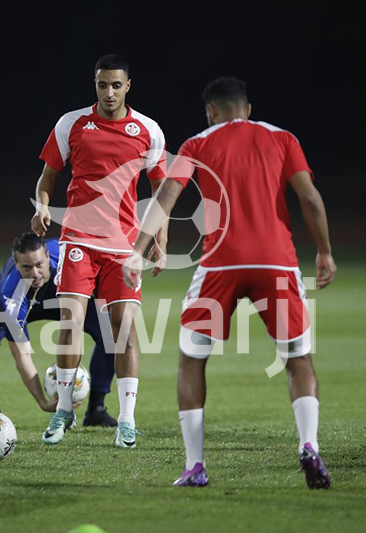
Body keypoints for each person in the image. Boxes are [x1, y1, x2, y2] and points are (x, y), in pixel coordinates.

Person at [124, 77, 336, 489]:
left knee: (191, 359)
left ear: (211, 112)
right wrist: (324, 251)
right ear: (248, 109)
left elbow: (167, 195)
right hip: (277, 263)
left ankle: (195, 466)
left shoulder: (197, 144)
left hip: (220, 265)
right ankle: (309, 445)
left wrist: (138, 249)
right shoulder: (283, 138)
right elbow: (310, 198)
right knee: (298, 359)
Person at [32, 54, 168, 447]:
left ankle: (127, 419)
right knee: (70, 322)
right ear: (95, 84)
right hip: (78, 239)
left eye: (116, 85)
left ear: (128, 86)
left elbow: (162, 189)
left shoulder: (148, 130)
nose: (109, 92)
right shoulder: (71, 123)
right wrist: (42, 207)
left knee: (124, 330)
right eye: (102, 84)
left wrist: (160, 241)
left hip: (124, 245)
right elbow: (47, 178)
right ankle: (63, 411)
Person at [0, 232, 117, 427]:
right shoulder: (12, 295)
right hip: (24, 300)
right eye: (26, 267)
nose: (35, 273)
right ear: (16, 265)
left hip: (64, 294)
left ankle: (96, 410)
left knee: (111, 335)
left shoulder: (71, 264)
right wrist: (42, 401)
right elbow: (22, 356)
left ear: (47, 256)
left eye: (39, 264)